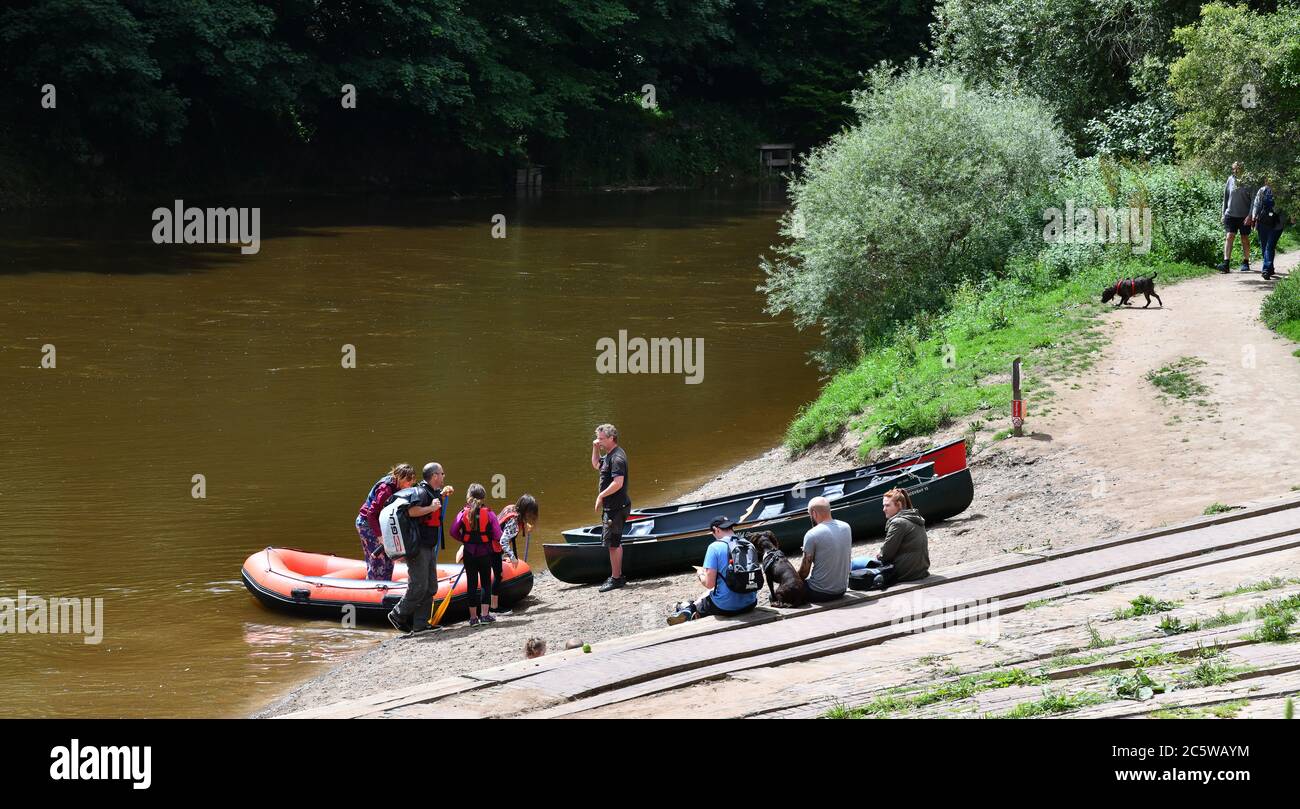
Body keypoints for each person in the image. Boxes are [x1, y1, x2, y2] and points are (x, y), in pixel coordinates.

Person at [387, 463, 454, 633]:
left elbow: (433, 505)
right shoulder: (420, 492)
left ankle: (420, 625)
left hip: (429, 546)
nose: (444, 476)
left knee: (431, 587)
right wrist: (431, 507)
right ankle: (397, 614)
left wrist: (443, 494)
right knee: (419, 586)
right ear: (434, 476)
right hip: (418, 547)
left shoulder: (431, 492)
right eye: (442, 473)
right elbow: (411, 511)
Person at [667, 516, 758, 624]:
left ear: (716, 530)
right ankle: (687, 607)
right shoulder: (748, 544)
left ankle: (689, 610)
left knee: (702, 603)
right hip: (750, 602)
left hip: (726, 607)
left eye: (713, 533)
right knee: (713, 591)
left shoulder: (714, 547)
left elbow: (709, 584)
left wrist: (700, 574)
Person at [450, 483, 503, 626]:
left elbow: (453, 531)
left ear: (468, 497)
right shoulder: (490, 514)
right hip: (485, 553)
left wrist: (465, 540)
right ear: (483, 497)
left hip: (469, 553)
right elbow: (498, 534)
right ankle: (485, 615)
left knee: (471, 584)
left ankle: (473, 618)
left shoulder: (462, 513)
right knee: (486, 582)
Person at [852, 488, 930, 585]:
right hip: (920, 571)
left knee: (854, 563)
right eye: (884, 505)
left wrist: (880, 553)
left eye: (887, 505)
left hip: (904, 573)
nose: (884, 509)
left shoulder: (898, 523)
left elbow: (885, 556)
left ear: (899, 505)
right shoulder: (914, 517)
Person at [356, 464, 416, 580]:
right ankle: (373, 587)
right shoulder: (385, 491)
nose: (410, 484)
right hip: (367, 524)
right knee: (378, 560)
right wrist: (380, 537)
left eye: (412, 480)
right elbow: (371, 514)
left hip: (382, 524)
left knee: (390, 558)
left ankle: (386, 584)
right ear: (398, 477)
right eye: (408, 480)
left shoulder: (401, 487)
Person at [591, 424, 630, 592]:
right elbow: (595, 464)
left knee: (613, 544)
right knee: (614, 542)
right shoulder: (608, 456)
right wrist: (595, 448)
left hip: (616, 507)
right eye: (597, 438)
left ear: (611, 438)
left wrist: (601, 495)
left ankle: (616, 578)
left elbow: (618, 483)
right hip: (612, 507)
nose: (598, 441)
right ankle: (617, 575)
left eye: (601, 439)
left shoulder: (617, 458)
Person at [797, 496, 851, 602]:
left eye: (809, 514)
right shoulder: (846, 527)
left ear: (814, 513)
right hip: (841, 590)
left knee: (777, 594)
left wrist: (794, 578)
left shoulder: (812, 534)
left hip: (819, 592)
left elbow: (804, 573)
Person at [1217, 161, 1255, 273]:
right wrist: (1223, 214)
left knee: (1244, 238)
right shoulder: (1230, 179)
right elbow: (1226, 197)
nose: (1235, 171)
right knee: (1229, 236)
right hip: (1230, 214)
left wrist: (1250, 215)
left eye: (1237, 169)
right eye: (1234, 169)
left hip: (1244, 216)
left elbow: (1253, 200)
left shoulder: (1249, 181)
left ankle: (1246, 262)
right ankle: (1226, 263)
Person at [1251, 176, 1285, 280]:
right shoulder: (1262, 190)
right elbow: (1256, 204)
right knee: (1264, 245)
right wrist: (1253, 217)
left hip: (1277, 223)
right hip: (1263, 222)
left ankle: (1265, 269)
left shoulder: (1283, 191)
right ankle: (1270, 267)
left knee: (1269, 246)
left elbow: (1288, 207)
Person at [498, 493, 539, 563]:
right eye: (530, 515)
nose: (531, 517)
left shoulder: (511, 508)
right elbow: (503, 541)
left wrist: (526, 524)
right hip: (491, 550)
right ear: (524, 511)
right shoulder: (514, 522)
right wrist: (512, 557)